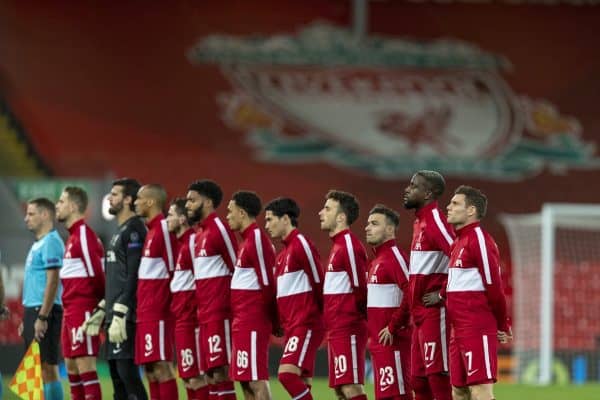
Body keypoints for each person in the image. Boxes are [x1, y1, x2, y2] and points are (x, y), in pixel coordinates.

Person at [82, 178, 148, 400]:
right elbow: (116, 277)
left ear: (128, 199)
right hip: (112, 315)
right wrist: (103, 308)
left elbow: (134, 274)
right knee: (117, 377)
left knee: (127, 375)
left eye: (115, 194)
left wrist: (121, 310)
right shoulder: (119, 231)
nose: (110, 197)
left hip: (125, 316)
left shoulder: (135, 230)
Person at [445, 186, 512, 400]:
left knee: (480, 390)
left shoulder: (479, 240)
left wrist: (503, 323)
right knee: (459, 391)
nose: (448, 207)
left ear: (471, 210)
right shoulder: (457, 243)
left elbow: (495, 288)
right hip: (457, 329)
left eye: (455, 204)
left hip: (477, 327)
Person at [264, 197, 325, 400]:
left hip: (305, 324)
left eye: (270, 219)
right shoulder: (282, 256)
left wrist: (320, 317)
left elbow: (319, 281)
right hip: (292, 327)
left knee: (286, 375)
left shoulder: (301, 244)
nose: (267, 225)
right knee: (302, 381)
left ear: (286, 219)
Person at [403, 170, 455, 400]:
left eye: (413, 186)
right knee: (418, 379)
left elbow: (459, 254)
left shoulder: (435, 221)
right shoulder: (420, 222)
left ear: (428, 193)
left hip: (435, 313)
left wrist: (442, 294)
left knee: (437, 376)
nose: (407, 189)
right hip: (418, 314)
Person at [186, 179, 238, 400]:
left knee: (221, 372)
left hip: (220, 314)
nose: (187, 204)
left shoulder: (219, 229)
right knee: (209, 374)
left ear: (207, 202)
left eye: (192, 200)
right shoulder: (199, 235)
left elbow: (238, 268)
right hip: (204, 315)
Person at [226, 191, 277, 400]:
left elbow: (268, 283)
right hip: (242, 320)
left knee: (256, 379)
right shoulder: (245, 242)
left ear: (241, 212)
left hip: (253, 320)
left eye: (230, 212)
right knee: (246, 381)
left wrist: (275, 319)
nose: (227, 216)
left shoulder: (256, 239)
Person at [56, 186, 105, 400]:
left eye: (61, 201)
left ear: (74, 206)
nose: (57, 205)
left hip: (82, 309)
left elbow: (97, 274)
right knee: (72, 368)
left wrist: (101, 306)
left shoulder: (84, 234)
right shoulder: (72, 237)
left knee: (85, 366)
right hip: (70, 310)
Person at [318, 190, 368, 400]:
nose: (320, 213)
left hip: (348, 327)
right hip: (337, 328)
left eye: (327, 208)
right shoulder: (338, 246)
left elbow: (361, 288)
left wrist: (355, 319)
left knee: (350, 387)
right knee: (340, 390)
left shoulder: (348, 244)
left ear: (341, 217)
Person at [134, 184, 178, 399]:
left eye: (139, 198)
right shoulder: (151, 230)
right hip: (146, 312)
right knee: (150, 371)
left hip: (159, 312)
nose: (135, 202)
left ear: (151, 202)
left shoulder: (163, 229)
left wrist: (170, 306)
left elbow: (174, 269)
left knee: (162, 366)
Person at [365, 205, 412, 400]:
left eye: (374, 224)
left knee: (399, 396)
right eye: (368, 223)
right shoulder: (376, 262)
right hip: (379, 344)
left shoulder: (394, 256)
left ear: (390, 229)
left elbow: (412, 291)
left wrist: (393, 326)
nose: (367, 228)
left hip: (394, 342)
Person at [20, 197, 64, 400]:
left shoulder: (51, 242)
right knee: (35, 370)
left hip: (44, 311)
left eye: (31, 214)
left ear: (45, 215)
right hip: (34, 310)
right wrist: (26, 317)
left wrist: (43, 317)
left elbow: (52, 280)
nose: (25, 218)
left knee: (47, 368)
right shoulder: (39, 244)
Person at [167, 198, 209, 399]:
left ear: (183, 219)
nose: (167, 219)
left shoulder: (193, 242)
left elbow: (201, 280)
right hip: (182, 319)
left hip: (192, 320)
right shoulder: (181, 244)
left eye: (171, 215)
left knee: (196, 378)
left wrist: (196, 314)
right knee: (187, 377)